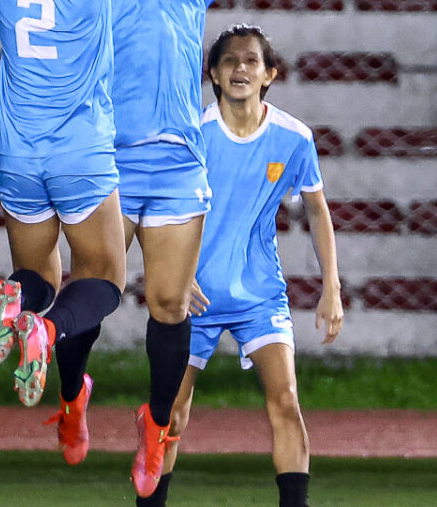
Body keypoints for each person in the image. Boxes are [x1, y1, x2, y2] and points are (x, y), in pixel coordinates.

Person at [87, 0, 278, 490]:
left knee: (169, 306)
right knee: (98, 289)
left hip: (174, 171)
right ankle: (70, 393)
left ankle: (156, 423)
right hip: (108, 166)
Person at [0, 0, 161, 484]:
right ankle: (46, 332)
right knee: (105, 279)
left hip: (18, 156)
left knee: (38, 277)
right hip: (80, 152)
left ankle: (15, 301)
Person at [141, 25, 343, 507]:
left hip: (259, 296)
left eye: (251, 61)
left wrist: (331, 286)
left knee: (286, 401)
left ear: (269, 73)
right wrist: (174, 277)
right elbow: (156, 210)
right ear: (213, 72)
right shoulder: (193, 133)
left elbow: (317, 209)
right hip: (195, 296)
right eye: (229, 61)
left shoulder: (294, 139)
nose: (240, 69)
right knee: (170, 415)